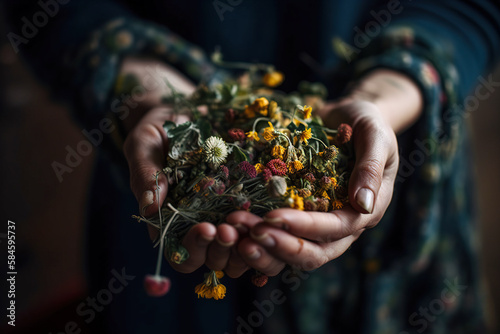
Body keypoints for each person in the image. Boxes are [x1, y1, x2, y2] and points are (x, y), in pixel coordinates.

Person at [4, 0, 500, 333]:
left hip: (402, 162)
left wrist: (383, 97)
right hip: (157, 177)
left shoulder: (321, 151)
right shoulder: (197, 156)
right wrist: (144, 86)